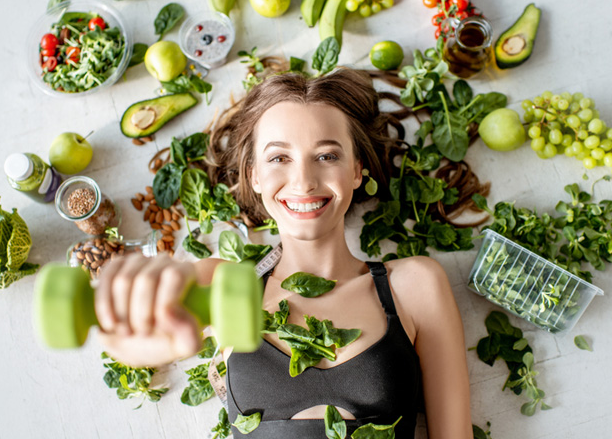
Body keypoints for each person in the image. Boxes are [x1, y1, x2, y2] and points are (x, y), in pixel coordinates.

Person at [96, 68, 473, 438]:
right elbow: (136, 341)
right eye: (279, 158)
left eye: (326, 156)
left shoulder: (415, 286)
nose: (304, 181)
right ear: (255, 175)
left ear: (357, 170)